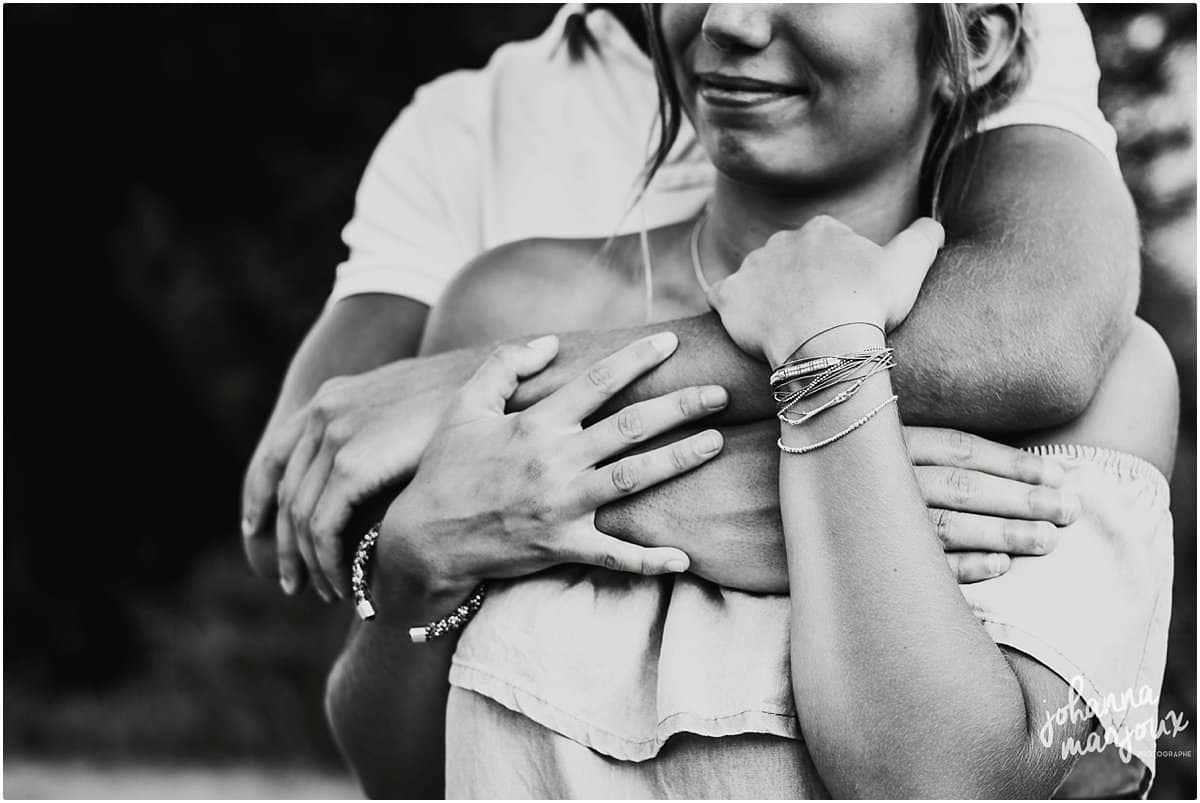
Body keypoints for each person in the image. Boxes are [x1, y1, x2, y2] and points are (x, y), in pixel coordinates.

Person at [314, 4, 1176, 798]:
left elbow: (946, 785)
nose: (725, 20)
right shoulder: (512, 311)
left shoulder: (1096, 391)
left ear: (974, 44)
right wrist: (417, 564)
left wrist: (825, 354)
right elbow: (404, 777)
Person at [240, 3, 1141, 601]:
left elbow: (1038, 327)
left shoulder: (971, 26)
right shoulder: (466, 122)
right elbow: (312, 487)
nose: (730, 22)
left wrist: (484, 395)